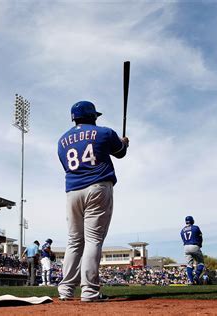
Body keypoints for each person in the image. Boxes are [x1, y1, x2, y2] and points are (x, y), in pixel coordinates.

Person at [57, 101, 129, 302]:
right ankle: (89, 291)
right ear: (92, 117)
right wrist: (124, 143)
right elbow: (121, 153)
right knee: (93, 240)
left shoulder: (61, 140)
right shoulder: (104, 132)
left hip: (72, 191)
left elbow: (67, 165)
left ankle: (66, 290)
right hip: (97, 187)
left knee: (73, 242)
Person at [181, 215, 205, 285]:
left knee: (189, 265)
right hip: (194, 245)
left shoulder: (182, 230)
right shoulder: (195, 227)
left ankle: (191, 281)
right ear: (192, 220)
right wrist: (200, 244)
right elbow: (200, 237)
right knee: (201, 263)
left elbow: (183, 239)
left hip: (186, 247)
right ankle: (196, 276)